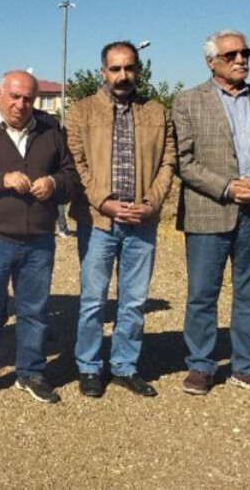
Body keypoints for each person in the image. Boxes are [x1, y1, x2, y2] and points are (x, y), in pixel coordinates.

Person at [173, 30, 250, 400]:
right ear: (211, 62)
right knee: (202, 294)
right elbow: (183, 160)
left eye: (245, 53)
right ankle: (201, 364)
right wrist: (227, 187)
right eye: (231, 55)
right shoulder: (187, 101)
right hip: (209, 210)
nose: (241, 60)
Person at [0, 70, 79, 404]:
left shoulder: (49, 130)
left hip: (38, 239)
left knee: (34, 312)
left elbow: (71, 176)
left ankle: (31, 373)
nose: (21, 104)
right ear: (0, 95)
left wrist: (54, 183)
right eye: (15, 96)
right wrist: (1, 180)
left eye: (28, 99)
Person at [66, 41, 176, 398]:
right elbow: (77, 164)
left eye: (129, 67)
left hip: (142, 220)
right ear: (103, 72)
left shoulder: (157, 112)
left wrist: (151, 204)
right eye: (115, 69)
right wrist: (104, 203)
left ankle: (125, 366)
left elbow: (168, 162)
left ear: (138, 70)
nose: (123, 75)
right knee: (93, 300)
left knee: (134, 300)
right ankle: (88, 366)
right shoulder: (81, 112)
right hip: (98, 221)